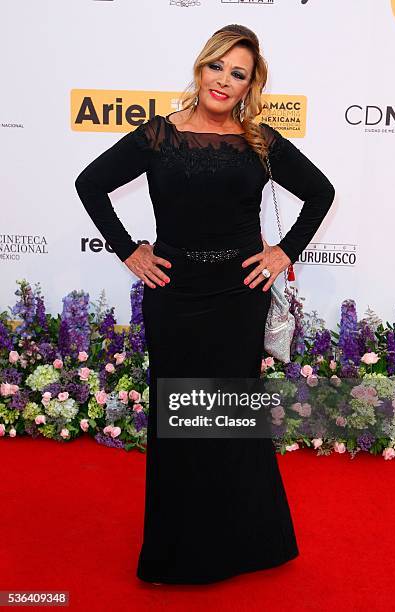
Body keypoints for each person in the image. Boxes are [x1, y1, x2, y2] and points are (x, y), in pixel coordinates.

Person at [75, 24, 335, 585]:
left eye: (237, 74)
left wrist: (284, 252)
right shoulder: (158, 137)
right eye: (217, 66)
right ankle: (179, 552)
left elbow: (321, 193)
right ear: (200, 68)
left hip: (239, 298)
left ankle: (246, 543)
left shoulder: (260, 142)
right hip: (175, 296)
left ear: (249, 86)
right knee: (181, 419)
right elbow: (89, 183)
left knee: (230, 421)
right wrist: (129, 251)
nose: (224, 80)